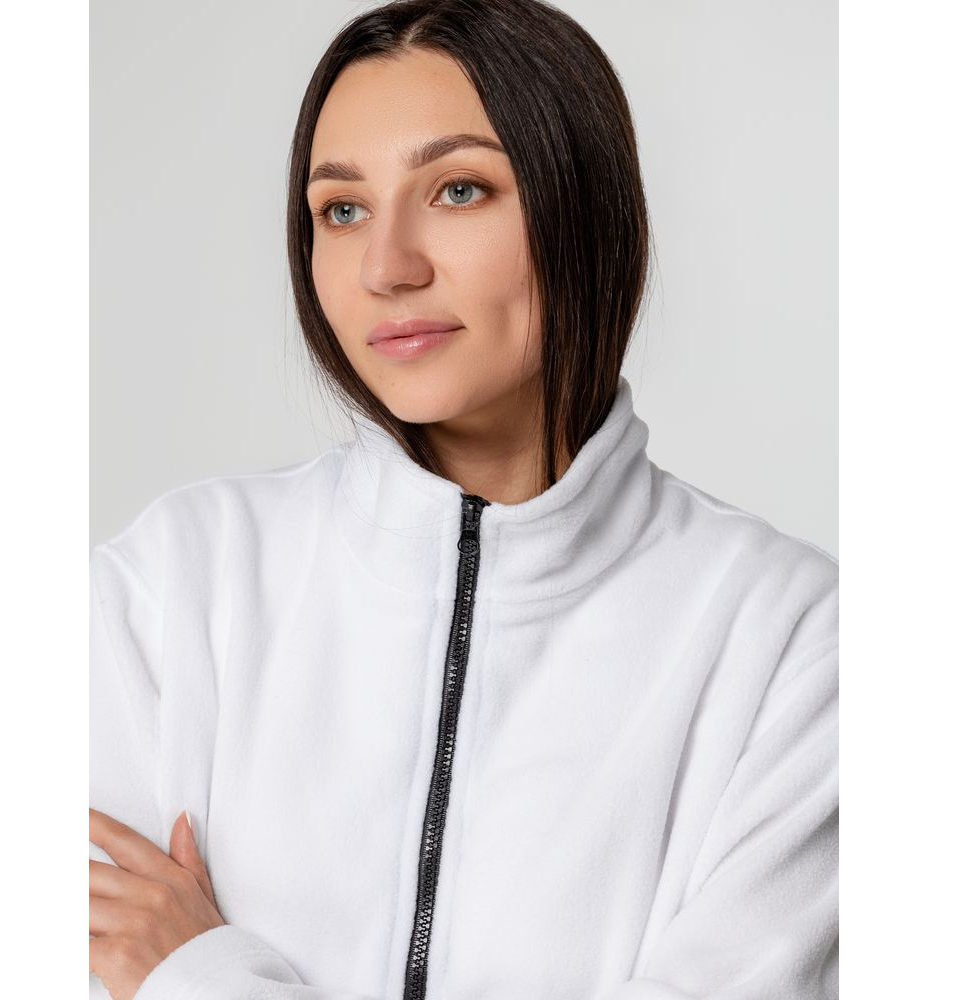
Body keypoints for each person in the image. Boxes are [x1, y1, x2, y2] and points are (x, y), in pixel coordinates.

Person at [89, 1, 838, 998]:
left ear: (582, 208)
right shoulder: (172, 587)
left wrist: (198, 974)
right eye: (341, 209)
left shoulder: (797, 647)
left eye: (458, 190)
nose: (386, 266)